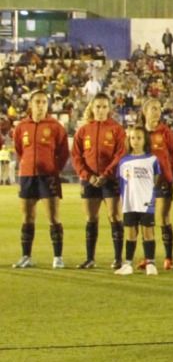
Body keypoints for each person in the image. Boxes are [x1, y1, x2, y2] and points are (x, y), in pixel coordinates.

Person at [11, 90, 69, 269]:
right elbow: (19, 150)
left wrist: (54, 169)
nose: (41, 105)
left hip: (48, 177)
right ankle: (26, 256)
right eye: (37, 102)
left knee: (53, 217)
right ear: (31, 104)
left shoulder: (55, 126)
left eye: (44, 102)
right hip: (27, 176)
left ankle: (58, 257)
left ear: (47, 105)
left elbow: (63, 152)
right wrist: (28, 164)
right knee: (27, 217)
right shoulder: (21, 127)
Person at [71, 93, 127, 270]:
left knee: (114, 216)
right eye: (98, 107)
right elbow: (76, 156)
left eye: (104, 107)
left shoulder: (116, 129)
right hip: (89, 180)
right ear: (92, 108)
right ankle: (90, 259)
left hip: (110, 179)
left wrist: (106, 174)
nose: (101, 110)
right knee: (91, 218)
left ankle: (118, 259)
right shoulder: (83, 130)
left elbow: (120, 154)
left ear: (109, 109)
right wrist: (88, 176)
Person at [113, 124, 164, 277]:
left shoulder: (152, 160)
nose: (135, 141)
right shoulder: (124, 161)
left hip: (146, 202)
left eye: (139, 138)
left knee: (148, 233)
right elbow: (121, 182)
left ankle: (151, 263)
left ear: (145, 140)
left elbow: (156, 179)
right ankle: (128, 264)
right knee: (130, 234)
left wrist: (149, 194)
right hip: (129, 203)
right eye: (133, 138)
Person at [140, 98, 173, 269]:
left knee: (163, 218)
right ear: (145, 111)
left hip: (163, 182)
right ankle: (148, 257)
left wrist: (169, 175)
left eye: (158, 109)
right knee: (145, 220)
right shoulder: (139, 132)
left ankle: (168, 257)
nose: (156, 112)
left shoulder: (166, 133)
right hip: (143, 183)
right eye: (153, 108)